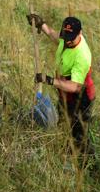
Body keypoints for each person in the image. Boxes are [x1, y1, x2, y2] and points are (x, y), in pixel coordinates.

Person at [27, 14, 95, 154]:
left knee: (78, 133)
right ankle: (66, 152)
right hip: (65, 93)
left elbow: (75, 86)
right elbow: (56, 37)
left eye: (71, 39)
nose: (67, 42)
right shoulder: (67, 38)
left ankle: (87, 164)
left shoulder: (82, 55)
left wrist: (50, 80)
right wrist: (42, 25)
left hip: (80, 98)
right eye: (66, 37)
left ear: (80, 33)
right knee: (64, 123)